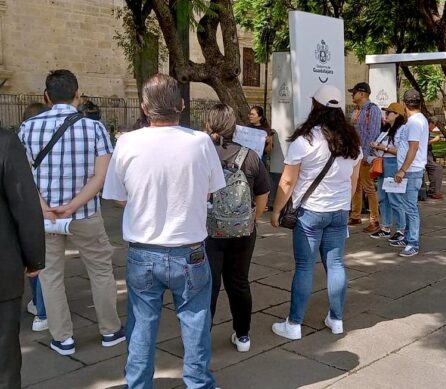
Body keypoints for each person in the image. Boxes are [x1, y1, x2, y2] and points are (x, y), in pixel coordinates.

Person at [103, 74, 224, 388]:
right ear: (181, 105)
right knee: (196, 322)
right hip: (191, 251)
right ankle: (199, 383)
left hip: (143, 251)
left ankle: (138, 384)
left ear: (144, 108)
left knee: (142, 324)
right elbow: (211, 191)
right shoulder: (201, 142)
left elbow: (117, 197)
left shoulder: (127, 142)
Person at [19, 69, 124, 356]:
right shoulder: (94, 128)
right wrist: (75, 204)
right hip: (85, 213)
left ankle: (62, 337)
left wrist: (42, 205)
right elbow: (101, 176)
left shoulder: (28, 128)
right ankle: (109, 331)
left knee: (50, 276)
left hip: (45, 217)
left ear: (46, 96)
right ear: (78, 95)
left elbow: (21, 175)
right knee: (101, 270)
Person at [270, 85, 362, 340]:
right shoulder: (352, 141)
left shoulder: (305, 140)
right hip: (339, 211)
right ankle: (337, 319)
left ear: (315, 106)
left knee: (304, 267)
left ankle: (294, 324)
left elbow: (287, 182)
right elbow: (353, 182)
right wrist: (344, 204)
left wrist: (276, 210)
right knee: (336, 264)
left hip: (310, 213)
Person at [204, 103, 271, 353]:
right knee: (239, 282)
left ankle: (202, 337)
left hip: (207, 230)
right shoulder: (250, 155)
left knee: (208, 285)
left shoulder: (201, 154)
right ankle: (242, 336)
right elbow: (263, 192)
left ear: (208, 124)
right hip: (243, 230)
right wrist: (253, 218)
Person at [0, 130, 45, 389]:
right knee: (4, 359)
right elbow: (25, 206)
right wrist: (34, 258)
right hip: (3, 267)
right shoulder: (5, 143)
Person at [21, 102, 50, 332]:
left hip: (27, 208)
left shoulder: (21, 139)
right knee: (44, 263)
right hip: (48, 207)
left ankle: (38, 307)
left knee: (33, 260)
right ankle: (42, 311)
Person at [390, 89, 429, 257]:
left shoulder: (414, 123)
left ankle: (413, 242)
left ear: (404, 105)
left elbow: (413, 148)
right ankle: (407, 238)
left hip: (411, 171)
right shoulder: (418, 120)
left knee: (411, 208)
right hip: (411, 170)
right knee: (407, 206)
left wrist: (402, 170)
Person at [368, 102, 407, 243]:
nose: (386, 115)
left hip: (393, 164)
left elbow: (402, 151)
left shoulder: (402, 130)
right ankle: (385, 227)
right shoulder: (386, 130)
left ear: (397, 115)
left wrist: (383, 148)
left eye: (389, 112)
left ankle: (401, 229)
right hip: (382, 163)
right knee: (383, 197)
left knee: (394, 198)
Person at [347, 82, 382, 232]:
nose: (351, 95)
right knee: (355, 186)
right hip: (355, 154)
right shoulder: (356, 111)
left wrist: (366, 156)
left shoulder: (372, 110)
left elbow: (373, 134)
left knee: (368, 187)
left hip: (365, 154)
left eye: (353, 92)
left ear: (362, 94)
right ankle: (356, 215)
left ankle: (375, 220)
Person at [426, 116, 444, 200]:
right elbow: (421, 143)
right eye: (434, 125)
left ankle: (433, 191)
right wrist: (434, 140)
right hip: (423, 155)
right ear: (431, 123)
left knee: (434, 168)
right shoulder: (424, 129)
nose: (434, 127)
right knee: (437, 168)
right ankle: (434, 191)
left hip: (428, 154)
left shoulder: (427, 131)